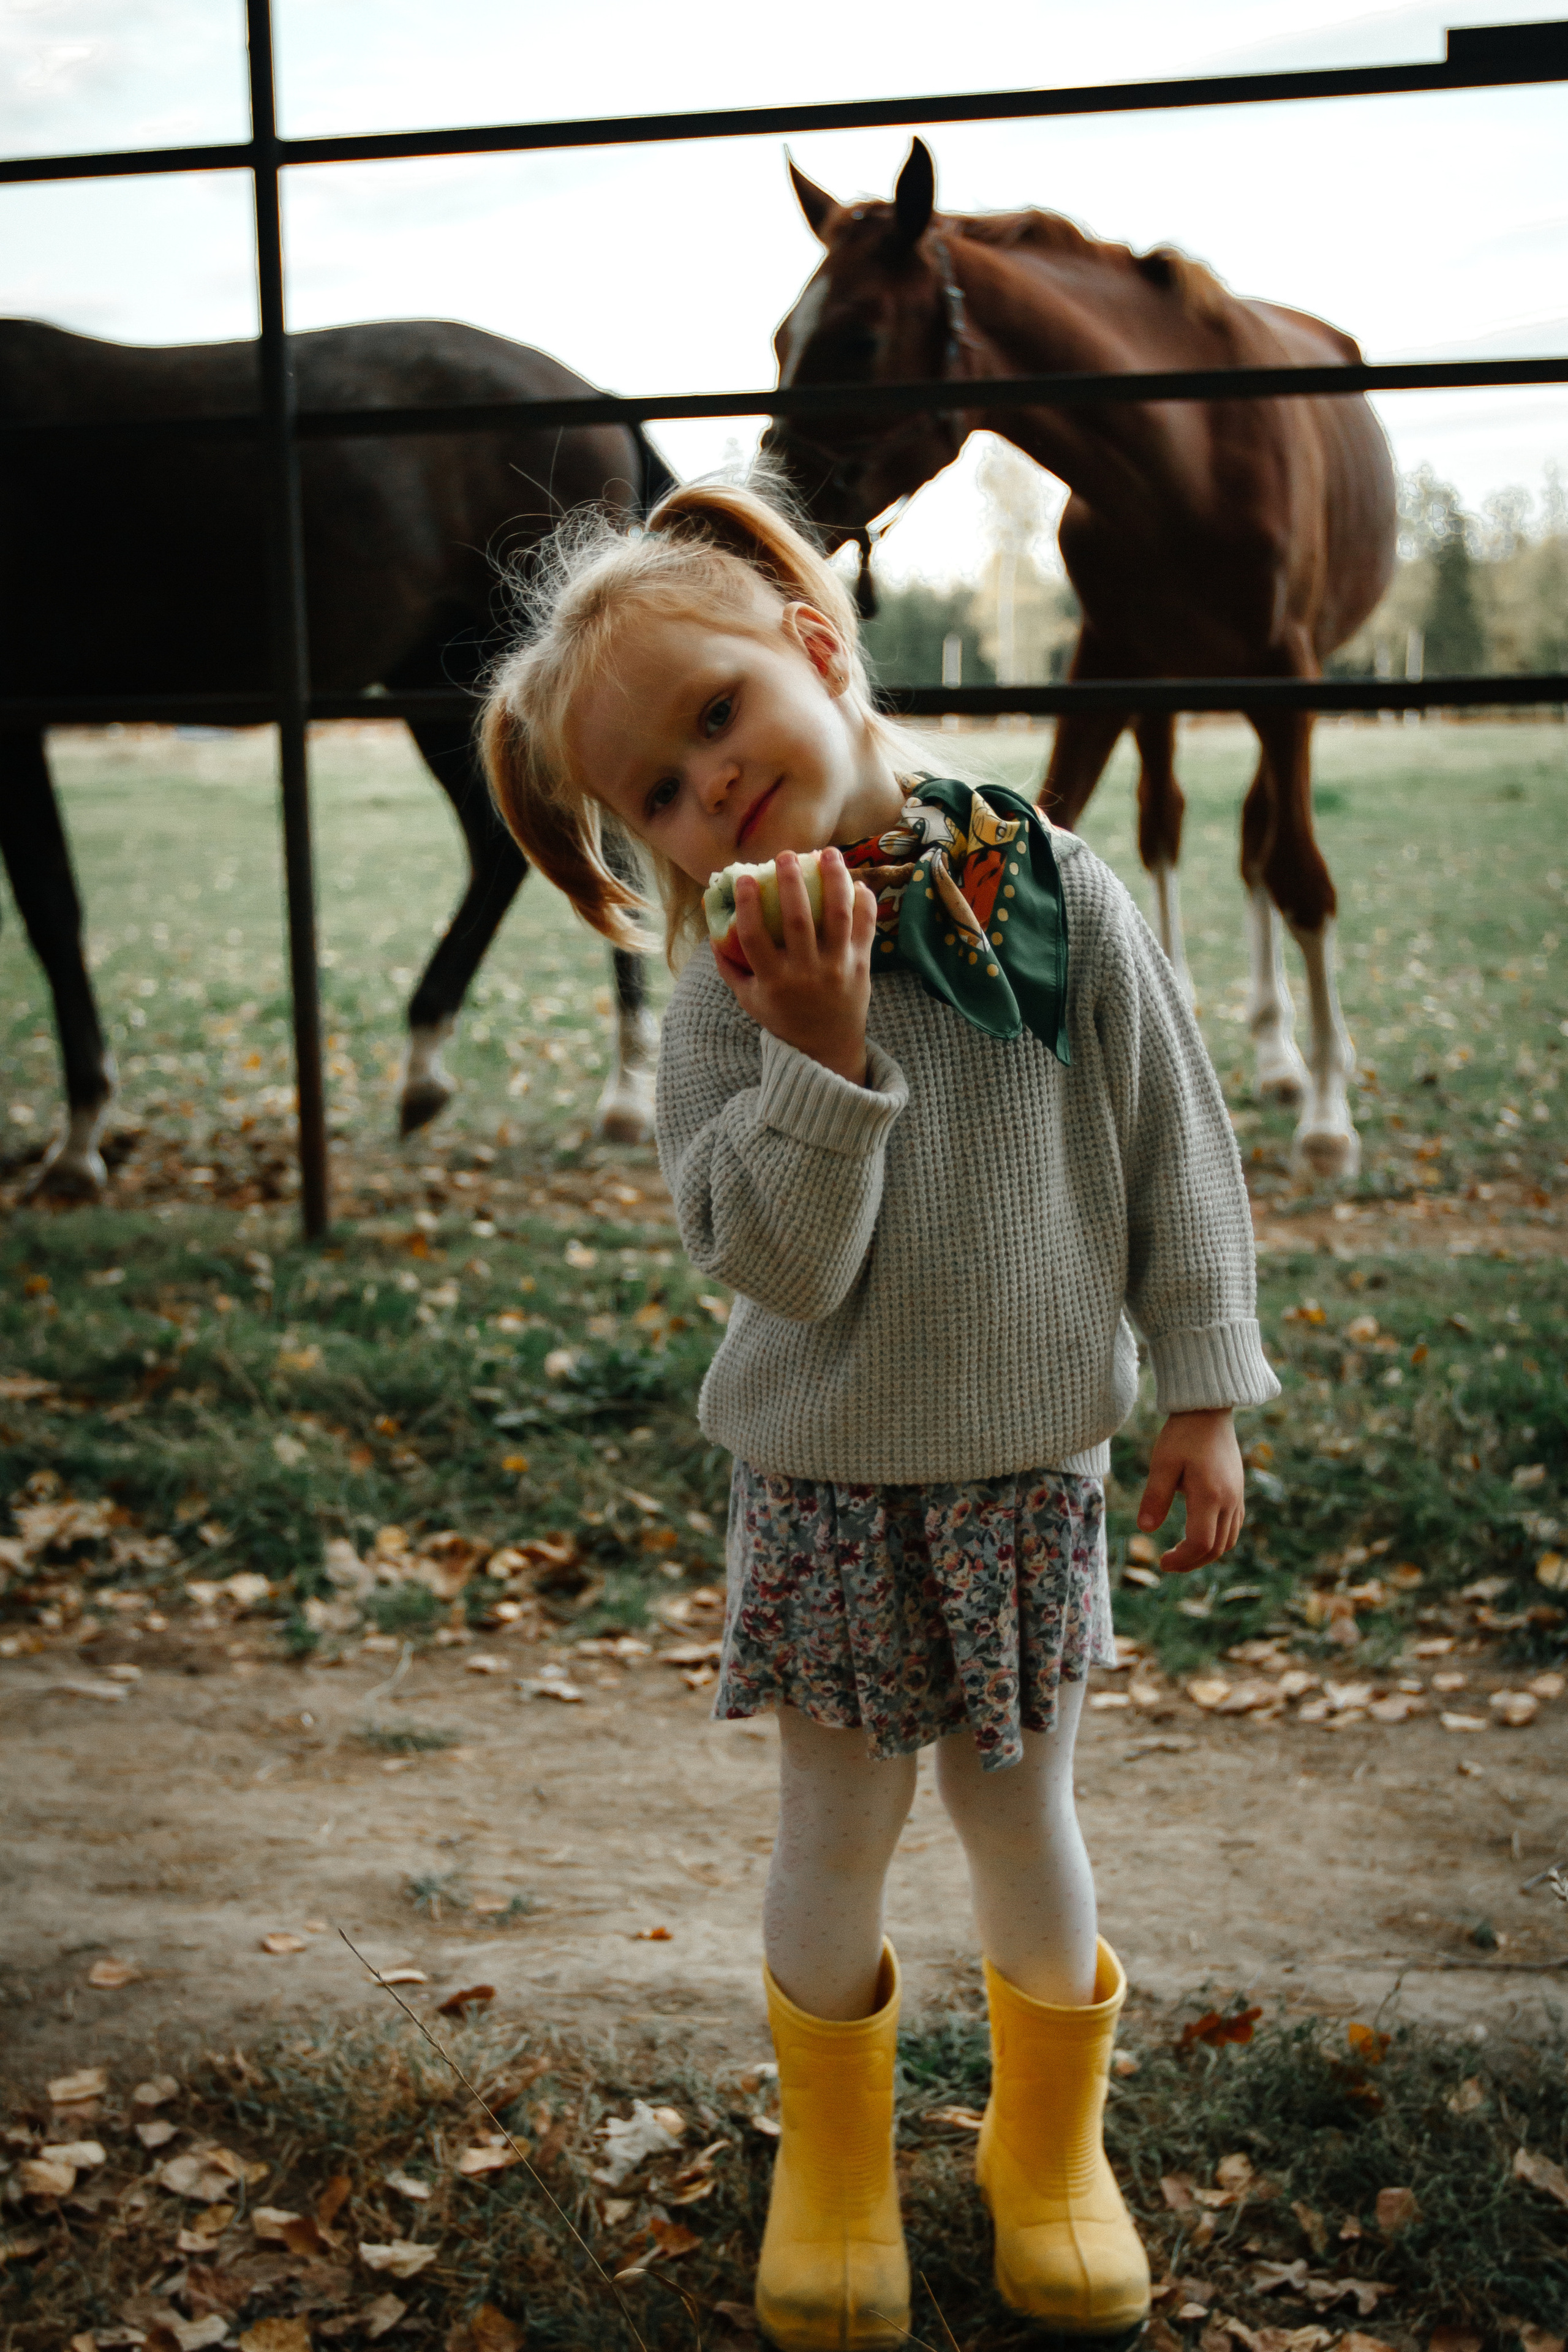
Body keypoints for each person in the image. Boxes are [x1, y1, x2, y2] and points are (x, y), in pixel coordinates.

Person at [480, 476, 1280, 2352]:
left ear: (817, 650)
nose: (712, 784)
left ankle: (1046, 2152)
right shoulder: (728, 991)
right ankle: (833, 2166)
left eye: (718, 715)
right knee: (834, 1833)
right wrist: (822, 1056)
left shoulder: (1053, 893)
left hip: (1027, 1468)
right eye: (661, 791)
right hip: (830, 1483)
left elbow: (1175, 1148)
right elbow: (771, 1263)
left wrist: (1205, 1385)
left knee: (1022, 1817)